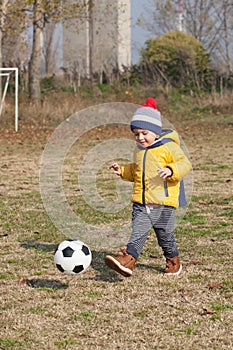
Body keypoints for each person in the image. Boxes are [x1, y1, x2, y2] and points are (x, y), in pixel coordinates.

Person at [105, 97, 192, 277]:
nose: (140, 137)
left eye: (144, 133)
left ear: (155, 132)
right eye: (136, 134)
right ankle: (129, 261)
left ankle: (173, 261)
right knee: (139, 231)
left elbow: (185, 164)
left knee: (165, 236)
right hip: (141, 201)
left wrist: (171, 169)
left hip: (163, 202)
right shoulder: (139, 150)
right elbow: (136, 171)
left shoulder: (169, 147)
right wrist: (122, 170)